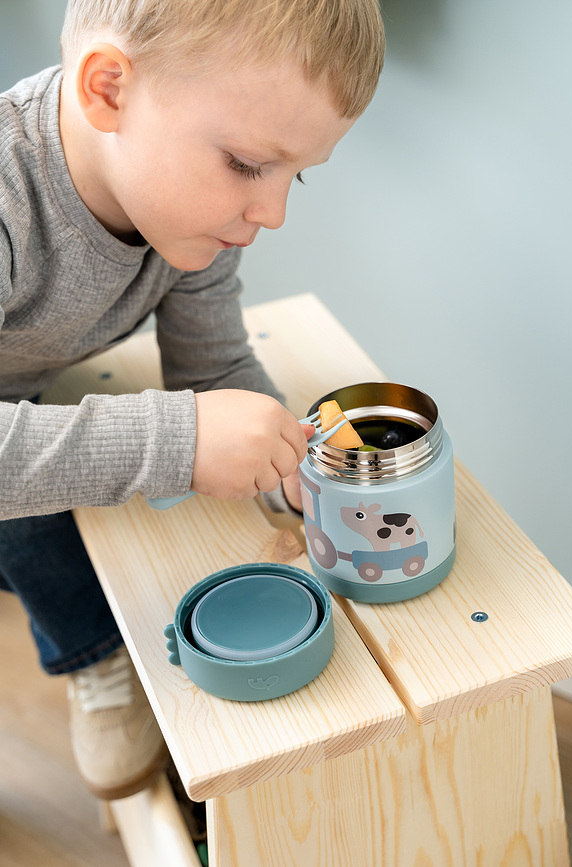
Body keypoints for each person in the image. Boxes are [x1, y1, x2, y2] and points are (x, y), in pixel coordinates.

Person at [0, 0, 385, 800]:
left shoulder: (188, 222)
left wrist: (289, 460)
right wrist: (174, 441)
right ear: (109, 90)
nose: (271, 213)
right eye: (248, 164)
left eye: (295, 175)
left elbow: (215, 364)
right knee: (37, 515)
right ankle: (92, 650)